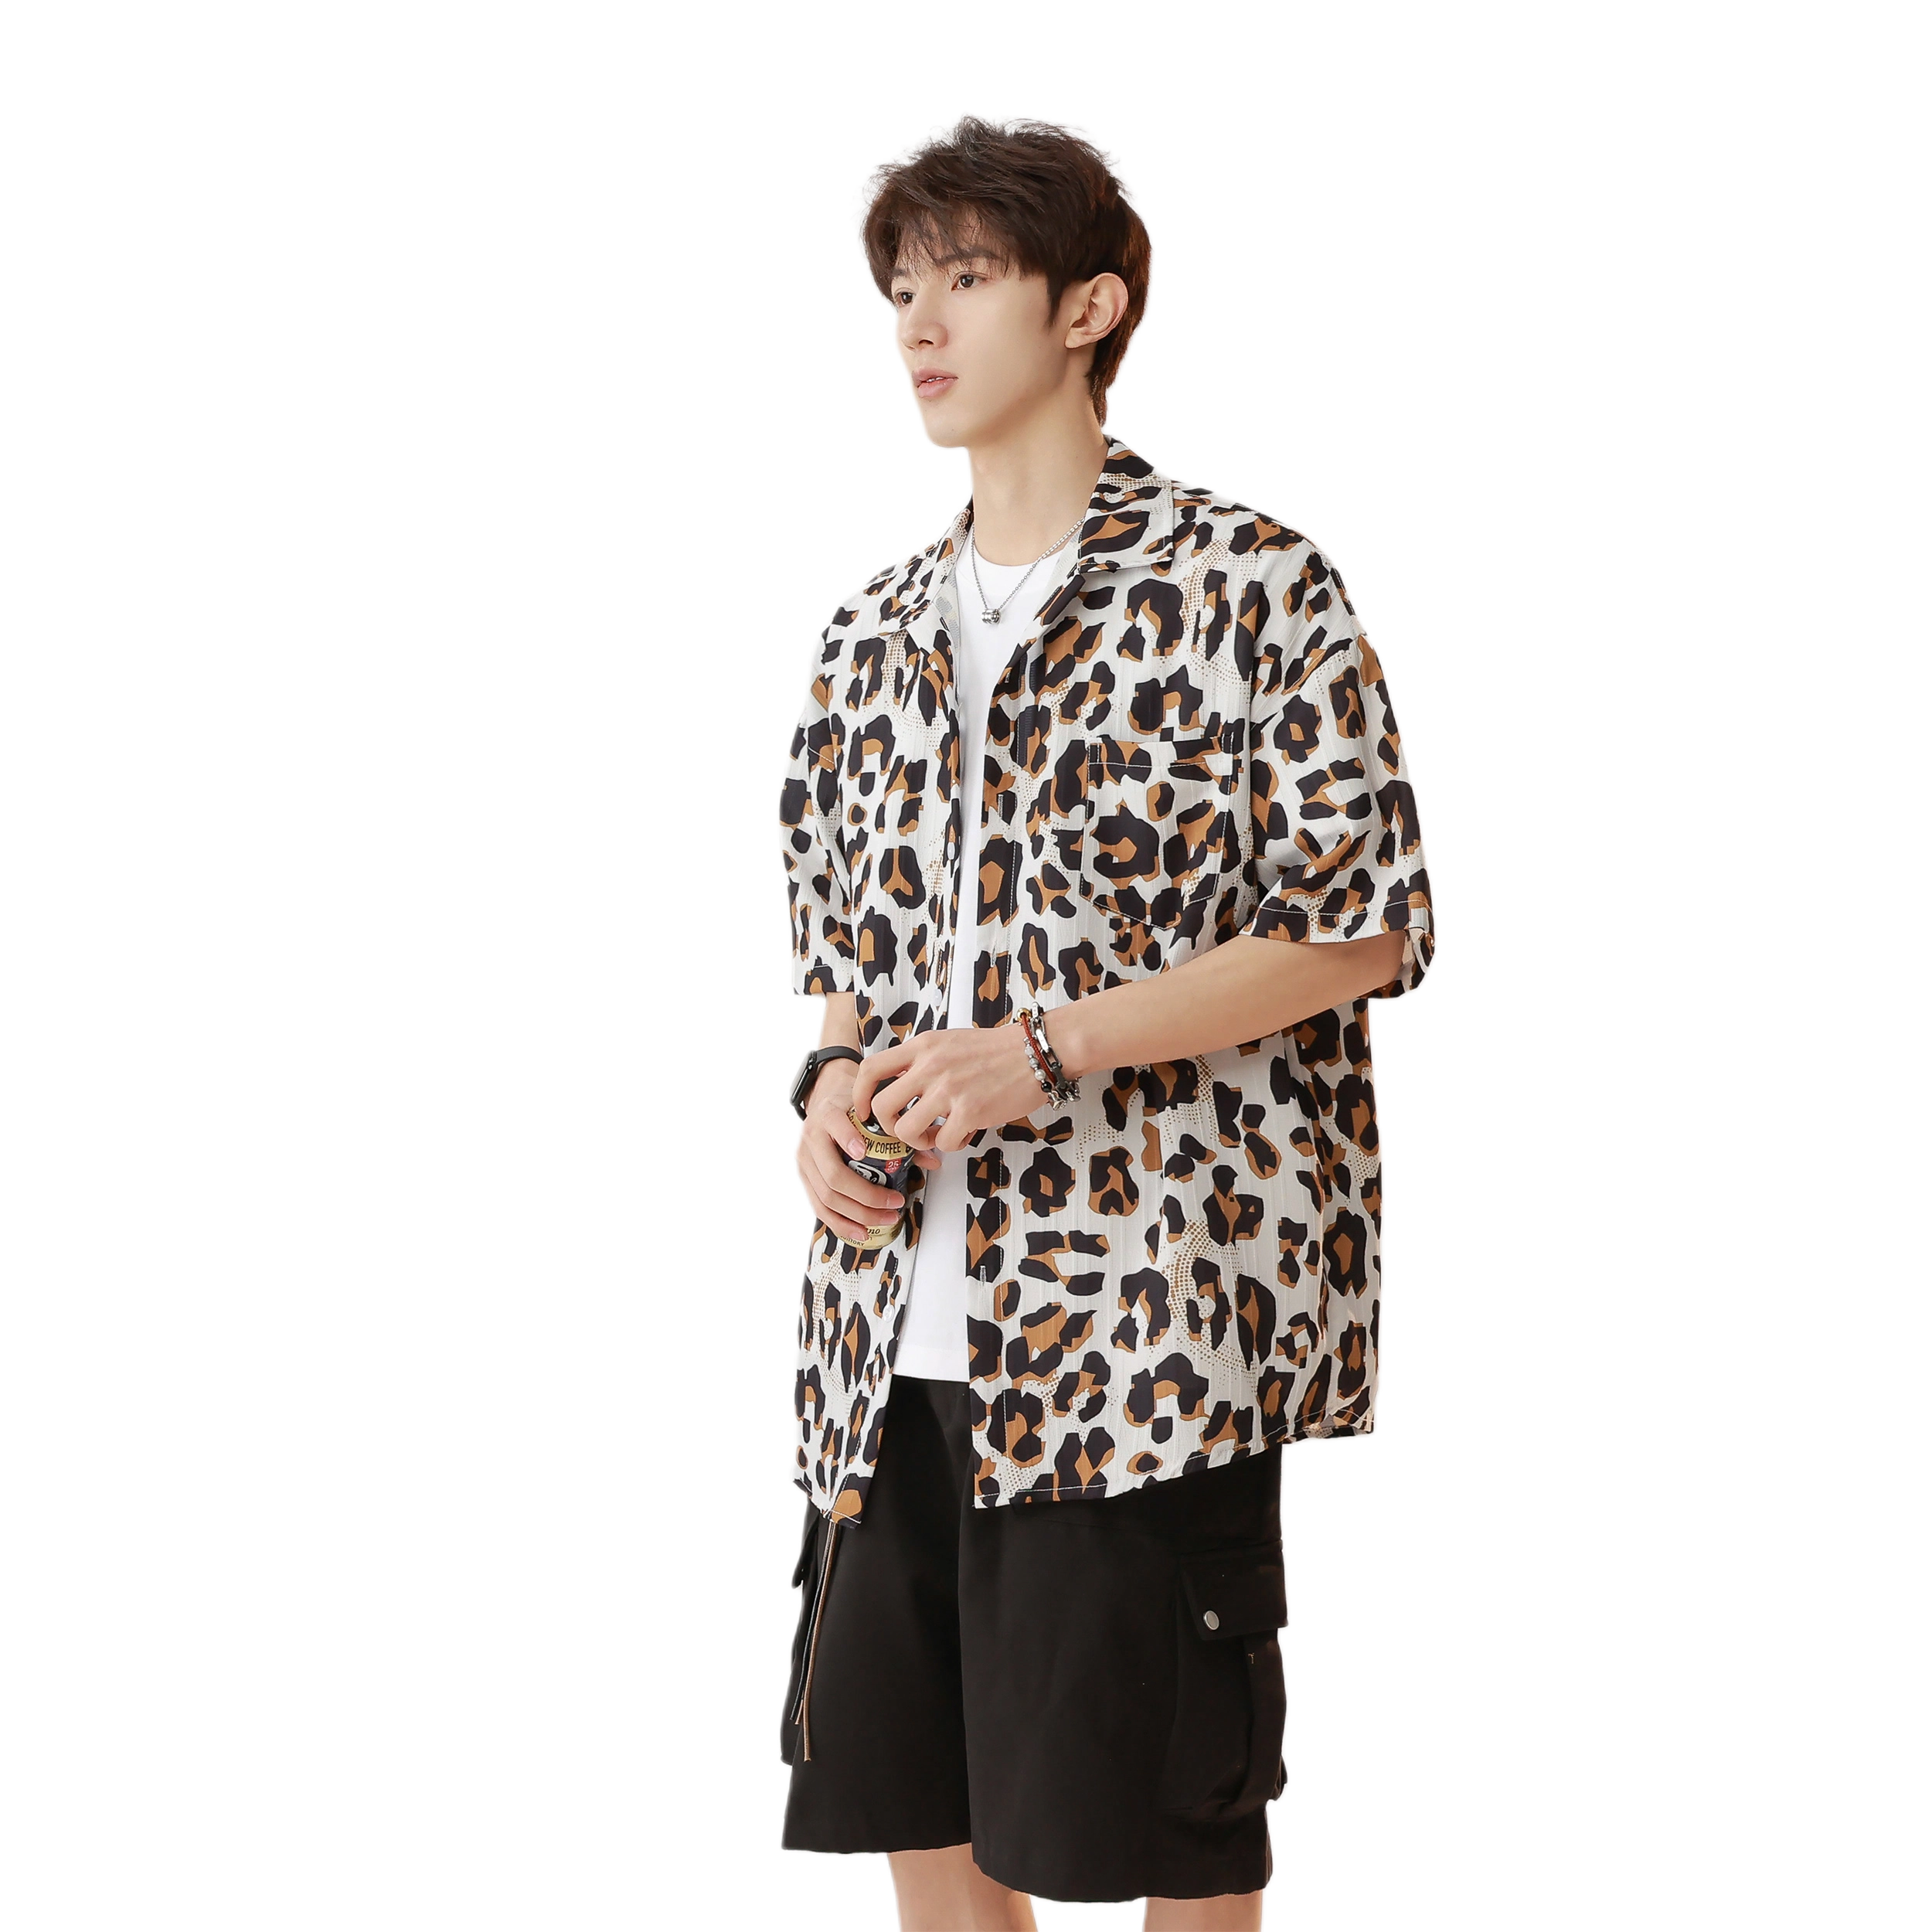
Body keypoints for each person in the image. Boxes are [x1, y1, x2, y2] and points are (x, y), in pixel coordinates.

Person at [774, 111, 1435, 1932]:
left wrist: (1045, 1048)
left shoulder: (1253, 582)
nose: (918, 325)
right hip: (882, 1349)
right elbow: (849, 959)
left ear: (1090, 304)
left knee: (1154, 1851)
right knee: (925, 1833)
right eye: (899, 292)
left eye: (967, 279)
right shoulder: (863, 631)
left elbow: (1360, 922)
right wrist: (824, 1095)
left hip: (1141, 1332)